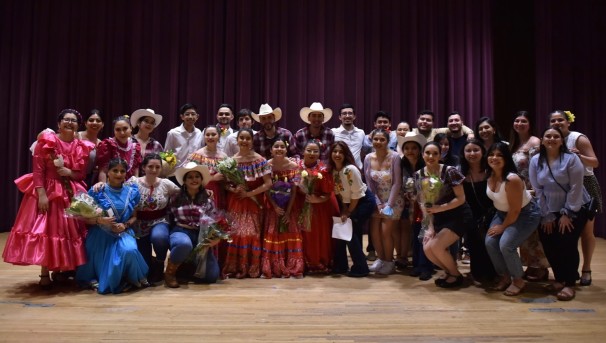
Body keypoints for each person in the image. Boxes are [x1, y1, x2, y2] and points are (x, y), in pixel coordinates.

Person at [3, 109, 94, 289]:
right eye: (66, 119)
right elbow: (38, 171)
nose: (69, 123)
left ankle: (60, 270)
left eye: (73, 120)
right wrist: (42, 195)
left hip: (70, 192)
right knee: (47, 230)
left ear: (78, 125)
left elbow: (81, 174)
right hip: (48, 190)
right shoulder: (46, 142)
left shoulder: (81, 146)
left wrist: (70, 172)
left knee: (66, 232)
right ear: (59, 123)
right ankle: (45, 272)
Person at [529, 127, 591, 301]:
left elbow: (576, 187)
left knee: (567, 243)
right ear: (542, 140)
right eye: (548, 136)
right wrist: (547, 214)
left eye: (556, 136)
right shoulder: (535, 160)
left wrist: (568, 213)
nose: (552, 139)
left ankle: (570, 282)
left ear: (562, 140)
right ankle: (559, 278)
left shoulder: (571, 159)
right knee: (549, 242)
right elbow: (538, 189)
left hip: (575, 207)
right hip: (548, 207)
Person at [76, 158, 150, 294]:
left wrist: (125, 224)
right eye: (115, 170)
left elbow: (134, 216)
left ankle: (130, 277)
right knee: (105, 265)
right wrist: (100, 221)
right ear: (107, 172)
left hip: (123, 232)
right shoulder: (97, 190)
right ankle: (108, 277)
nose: (119, 174)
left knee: (129, 250)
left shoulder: (132, 191)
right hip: (100, 233)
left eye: (122, 171)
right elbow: (83, 218)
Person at [550, 110, 601, 286]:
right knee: (565, 232)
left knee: (586, 231)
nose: (556, 123)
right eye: (553, 120)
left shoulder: (578, 138)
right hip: (563, 187)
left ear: (568, 122)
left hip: (585, 184)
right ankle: (566, 271)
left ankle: (586, 269)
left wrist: (579, 155)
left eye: (560, 120)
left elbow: (595, 162)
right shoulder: (551, 139)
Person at [484, 143, 541, 296]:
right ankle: (505, 276)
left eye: (499, 155)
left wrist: (502, 227)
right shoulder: (489, 174)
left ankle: (518, 279)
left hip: (525, 213)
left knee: (506, 245)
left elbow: (515, 210)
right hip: (502, 213)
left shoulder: (512, 179)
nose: (494, 158)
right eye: (491, 154)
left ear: (506, 159)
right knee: (490, 243)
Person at [416, 142, 471, 288]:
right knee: (428, 248)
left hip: (458, 214)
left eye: (435, 153)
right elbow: (423, 203)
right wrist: (430, 227)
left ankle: (456, 275)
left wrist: (439, 208)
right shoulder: (419, 175)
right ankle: (449, 272)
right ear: (422, 155)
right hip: (438, 216)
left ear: (440, 155)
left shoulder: (449, 171)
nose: (431, 156)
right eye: (427, 153)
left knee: (437, 247)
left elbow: (461, 198)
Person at [222, 129, 273, 278]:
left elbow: (268, 184)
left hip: (253, 201)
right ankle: (234, 267)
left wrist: (249, 194)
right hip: (236, 201)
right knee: (235, 234)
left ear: (252, 141)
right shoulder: (230, 161)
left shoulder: (259, 160)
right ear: (237, 140)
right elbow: (224, 184)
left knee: (251, 234)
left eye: (247, 138)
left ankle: (251, 267)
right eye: (241, 138)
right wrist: (233, 189)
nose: (244, 141)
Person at [164, 162, 220, 287]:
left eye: (197, 176)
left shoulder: (208, 199)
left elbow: (214, 221)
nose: (194, 179)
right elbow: (168, 217)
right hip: (181, 231)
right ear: (184, 180)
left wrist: (216, 238)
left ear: (201, 179)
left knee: (212, 276)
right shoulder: (175, 197)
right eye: (190, 177)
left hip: (201, 234)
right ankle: (170, 273)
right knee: (184, 244)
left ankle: (187, 270)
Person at [508, 111, 548, 282]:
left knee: (534, 233)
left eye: (523, 121)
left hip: (532, 191)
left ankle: (540, 267)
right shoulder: (514, 143)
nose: (519, 124)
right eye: (516, 120)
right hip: (518, 192)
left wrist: (536, 191)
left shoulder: (535, 142)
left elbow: (539, 168)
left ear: (530, 124)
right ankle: (531, 265)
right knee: (524, 232)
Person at [130, 153, 180, 282]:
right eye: (150, 166)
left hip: (160, 221)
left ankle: (159, 262)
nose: (153, 170)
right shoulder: (133, 182)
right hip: (139, 223)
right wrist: (101, 186)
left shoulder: (166, 184)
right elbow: (117, 189)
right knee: (144, 264)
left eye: (157, 167)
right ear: (143, 168)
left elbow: (185, 192)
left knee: (159, 237)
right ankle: (150, 264)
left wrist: (205, 192)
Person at [260, 137, 305, 278]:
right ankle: (274, 265)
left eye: (282, 147)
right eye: (276, 147)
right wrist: (274, 206)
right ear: (271, 150)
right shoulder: (266, 165)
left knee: (289, 232)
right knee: (273, 233)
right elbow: (266, 189)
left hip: (289, 207)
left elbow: (294, 191)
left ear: (286, 150)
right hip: (272, 206)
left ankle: (291, 265)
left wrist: (288, 211)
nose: (279, 149)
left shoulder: (293, 166)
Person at [329, 142, 375, 277]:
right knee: (344, 232)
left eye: (341, 152)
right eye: (335, 151)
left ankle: (361, 267)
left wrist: (348, 212)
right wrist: (344, 209)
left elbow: (356, 195)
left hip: (363, 202)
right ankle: (341, 265)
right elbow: (339, 193)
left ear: (346, 154)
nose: (337, 155)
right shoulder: (333, 171)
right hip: (349, 203)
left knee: (350, 233)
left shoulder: (350, 170)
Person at [364, 129, 404, 275]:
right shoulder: (368, 157)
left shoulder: (394, 157)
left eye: (382, 140)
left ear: (388, 141)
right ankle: (381, 259)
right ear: (371, 140)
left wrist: (388, 205)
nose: (379, 142)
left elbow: (397, 183)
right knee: (374, 232)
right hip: (376, 200)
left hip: (394, 200)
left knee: (386, 232)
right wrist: (378, 203)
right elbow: (369, 183)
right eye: (376, 139)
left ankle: (389, 261)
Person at [296, 140, 340, 273]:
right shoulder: (296, 166)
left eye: (316, 151)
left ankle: (318, 262)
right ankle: (302, 262)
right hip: (298, 206)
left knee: (316, 235)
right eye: (309, 150)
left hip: (319, 208)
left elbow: (328, 193)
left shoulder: (323, 170)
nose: (312, 153)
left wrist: (316, 199)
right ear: (303, 151)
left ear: (320, 153)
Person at [460, 139, 497, 284]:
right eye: (468, 151)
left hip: (492, 214)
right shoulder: (461, 172)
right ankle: (476, 273)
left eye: (476, 150)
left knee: (490, 245)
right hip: (470, 215)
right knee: (474, 244)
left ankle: (494, 274)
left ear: (483, 152)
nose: (472, 153)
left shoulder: (491, 170)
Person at [398, 132, 432, 280]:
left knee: (425, 236)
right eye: (407, 148)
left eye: (414, 148)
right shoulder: (402, 165)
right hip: (411, 207)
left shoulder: (426, 166)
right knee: (416, 234)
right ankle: (417, 265)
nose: (410, 151)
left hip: (426, 206)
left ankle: (426, 267)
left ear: (419, 150)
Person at [185, 125, 228, 208]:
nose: (210, 137)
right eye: (207, 135)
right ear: (204, 137)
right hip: (201, 191)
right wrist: (212, 178)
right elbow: (188, 177)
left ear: (219, 137)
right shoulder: (197, 155)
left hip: (219, 192)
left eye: (213, 134)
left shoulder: (224, 156)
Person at [96, 115, 142, 182]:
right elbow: (103, 171)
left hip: (130, 187)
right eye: (118, 129)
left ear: (131, 128)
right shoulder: (108, 145)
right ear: (114, 131)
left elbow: (136, 173)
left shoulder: (135, 147)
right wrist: (104, 189)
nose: (122, 133)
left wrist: (135, 188)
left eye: (125, 128)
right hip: (111, 186)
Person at [331, 103, 366, 169]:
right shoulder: (333, 132)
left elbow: (363, 151)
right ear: (340, 117)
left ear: (354, 116)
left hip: (357, 171)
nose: (347, 116)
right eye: (344, 113)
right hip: (339, 170)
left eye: (350, 113)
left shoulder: (361, 132)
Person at [130, 109, 164, 176]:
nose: (149, 124)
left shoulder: (156, 145)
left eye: (152, 123)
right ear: (139, 123)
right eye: (146, 121)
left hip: (150, 182)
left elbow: (161, 166)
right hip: (129, 181)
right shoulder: (129, 141)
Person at [78, 109, 104, 186]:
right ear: (85, 123)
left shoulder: (101, 144)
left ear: (102, 124)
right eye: (91, 120)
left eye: (98, 121)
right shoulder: (76, 136)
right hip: (71, 178)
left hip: (89, 180)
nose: (94, 123)